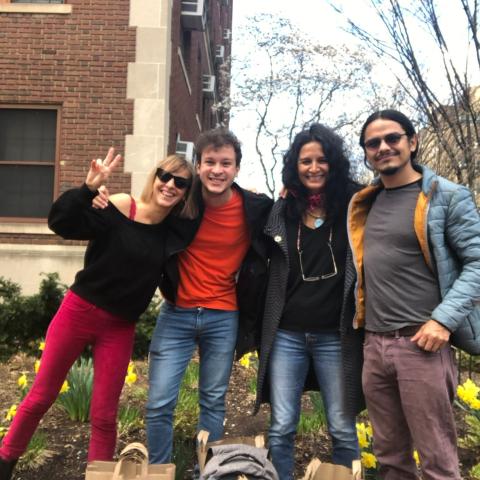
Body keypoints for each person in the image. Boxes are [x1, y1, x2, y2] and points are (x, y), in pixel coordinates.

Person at [0, 148, 195, 480]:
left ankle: (99, 475)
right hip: (80, 312)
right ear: (155, 177)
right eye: (165, 175)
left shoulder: (174, 233)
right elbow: (62, 223)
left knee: (104, 415)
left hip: (120, 327)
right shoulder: (120, 205)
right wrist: (88, 189)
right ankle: (5, 462)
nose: (170, 185)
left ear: (186, 192)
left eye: (180, 182)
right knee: (41, 396)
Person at [348, 109, 480, 480]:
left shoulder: (447, 197)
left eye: (392, 138)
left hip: (421, 346)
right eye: (373, 143)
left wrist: (443, 320)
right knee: (390, 459)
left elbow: (477, 262)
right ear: (366, 152)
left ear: (412, 141)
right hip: (374, 346)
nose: (383, 147)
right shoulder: (364, 203)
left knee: (438, 461)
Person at [145, 128, 273, 464]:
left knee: (213, 400)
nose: (217, 170)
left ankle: (210, 470)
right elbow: (143, 217)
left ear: (236, 169)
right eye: (210, 162)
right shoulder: (181, 203)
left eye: (226, 163)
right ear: (198, 166)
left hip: (223, 316)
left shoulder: (255, 208)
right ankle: (159, 470)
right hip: (177, 314)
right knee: (159, 402)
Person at [254, 124, 364, 480]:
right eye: (305, 161)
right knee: (282, 426)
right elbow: (260, 229)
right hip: (287, 334)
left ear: (334, 164)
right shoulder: (284, 211)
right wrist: (283, 197)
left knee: (342, 427)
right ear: (294, 166)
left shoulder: (354, 208)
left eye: (321, 160)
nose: (314, 167)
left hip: (336, 334)